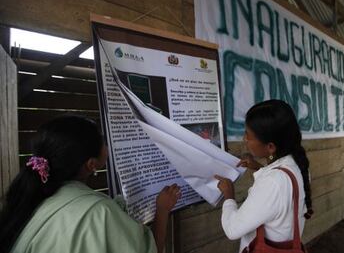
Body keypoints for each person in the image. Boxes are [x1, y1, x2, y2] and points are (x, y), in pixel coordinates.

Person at [0, 115, 181, 253]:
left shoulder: (31, 198)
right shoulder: (100, 212)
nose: (105, 142)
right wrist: (162, 209)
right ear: (91, 164)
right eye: (101, 139)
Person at [215, 100, 313, 252]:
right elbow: (278, 198)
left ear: (271, 147)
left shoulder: (273, 183)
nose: (244, 139)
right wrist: (259, 168)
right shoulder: (297, 164)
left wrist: (229, 195)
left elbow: (232, 229)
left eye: (248, 135)